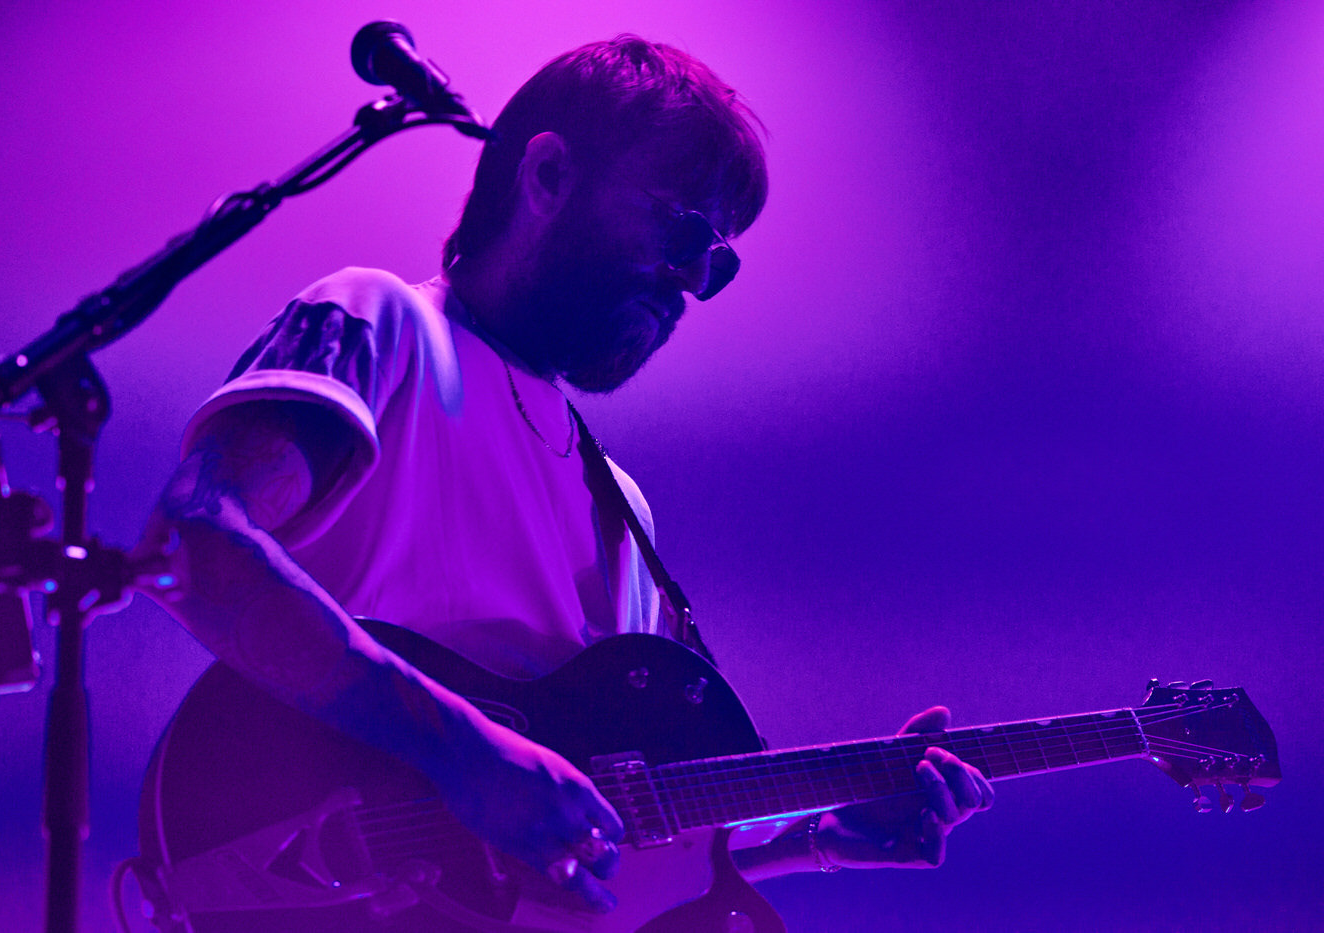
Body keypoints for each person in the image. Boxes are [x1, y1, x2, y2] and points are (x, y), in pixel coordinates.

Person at [134, 35, 993, 922]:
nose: (693, 280)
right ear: (547, 177)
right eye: (684, 231)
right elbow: (193, 543)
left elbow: (609, 822)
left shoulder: (619, 507)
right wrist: (468, 755)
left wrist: (822, 831)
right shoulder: (381, 321)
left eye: (720, 262)